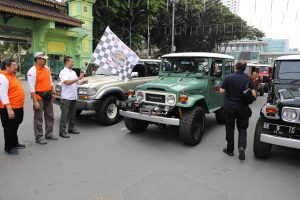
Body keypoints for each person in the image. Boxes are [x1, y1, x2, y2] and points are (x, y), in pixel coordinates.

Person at [217, 60, 256, 161]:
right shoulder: (248, 78)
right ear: (245, 68)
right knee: (242, 128)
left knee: (230, 129)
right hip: (243, 108)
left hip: (230, 107)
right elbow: (254, 94)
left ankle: (230, 150)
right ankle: (241, 147)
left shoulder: (228, 77)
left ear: (235, 67)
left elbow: (221, 91)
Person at [27, 52, 57, 145]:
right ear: (38, 59)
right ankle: (39, 136)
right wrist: (35, 101)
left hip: (48, 95)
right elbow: (31, 88)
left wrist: (53, 93)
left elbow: (51, 82)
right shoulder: (32, 71)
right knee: (38, 117)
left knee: (50, 115)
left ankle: (49, 133)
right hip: (39, 97)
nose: (45, 60)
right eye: (43, 59)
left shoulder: (46, 68)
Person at [0, 58, 25, 155]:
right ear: (7, 67)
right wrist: (9, 109)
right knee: (9, 128)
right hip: (10, 108)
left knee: (15, 126)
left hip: (18, 106)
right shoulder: (2, 77)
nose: (16, 67)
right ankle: (8, 147)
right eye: (14, 65)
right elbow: (2, 94)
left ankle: (14, 143)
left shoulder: (11, 75)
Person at [59, 56, 87, 138]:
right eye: (71, 62)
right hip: (66, 97)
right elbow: (67, 82)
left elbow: (76, 83)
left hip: (73, 96)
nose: (73, 63)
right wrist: (79, 78)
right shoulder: (63, 72)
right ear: (67, 62)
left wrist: (82, 82)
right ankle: (62, 131)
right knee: (64, 115)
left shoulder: (73, 72)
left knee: (73, 114)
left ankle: (71, 128)